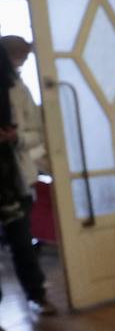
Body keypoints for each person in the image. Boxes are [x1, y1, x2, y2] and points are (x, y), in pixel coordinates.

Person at [0, 38, 53, 316]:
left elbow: (36, 133)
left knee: (22, 241)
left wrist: (15, 137)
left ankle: (37, 295)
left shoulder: (19, 89)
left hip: (14, 178)